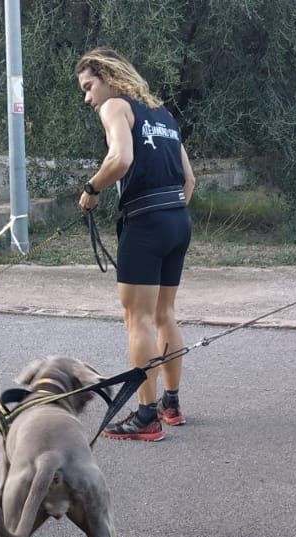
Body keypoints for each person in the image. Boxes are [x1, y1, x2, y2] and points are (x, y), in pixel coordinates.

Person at [75, 48, 197, 441]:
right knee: (166, 314)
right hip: (177, 220)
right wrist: (169, 216)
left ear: (109, 77)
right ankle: (171, 404)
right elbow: (189, 180)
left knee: (137, 319)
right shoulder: (163, 115)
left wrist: (92, 189)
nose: (88, 98)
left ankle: (145, 417)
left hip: (145, 224)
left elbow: (121, 158)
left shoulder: (115, 107)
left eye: (89, 86)